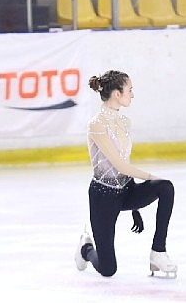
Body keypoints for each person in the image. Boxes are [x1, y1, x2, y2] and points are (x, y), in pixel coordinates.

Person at [74, 70, 177, 278]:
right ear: (117, 94)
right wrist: (150, 176)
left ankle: (158, 252)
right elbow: (120, 166)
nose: (133, 94)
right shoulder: (96, 125)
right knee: (108, 269)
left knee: (166, 188)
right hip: (103, 197)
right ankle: (86, 249)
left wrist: (135, 207)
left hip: (125, 189)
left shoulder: (124, 122)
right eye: (130, 90)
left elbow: (125, 165)